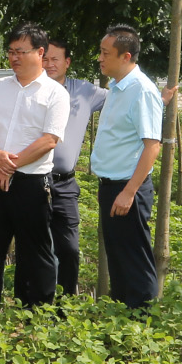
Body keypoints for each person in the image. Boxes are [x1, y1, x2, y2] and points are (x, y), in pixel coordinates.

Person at [0, 24, 72, 310]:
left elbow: (49, 140)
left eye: (21, 51)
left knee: (35, 250)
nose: (14, 57)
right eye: (10, 51)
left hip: (31, 181)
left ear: (40, 53)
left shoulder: (55, 93)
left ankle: (36, 310)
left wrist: (9, 166)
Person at [87, 24, 164, 309]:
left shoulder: (141, 90)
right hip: (112, 187)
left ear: (126, 56)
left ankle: (141, 326)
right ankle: (121, 327)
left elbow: (152, 146)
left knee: (134, 263)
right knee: (119, 263)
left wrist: (129, 192)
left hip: (127, 189)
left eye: (106, 53)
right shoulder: (118, 88)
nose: (100, 58)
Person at [41, 38, 108, 298]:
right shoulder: (31, 89)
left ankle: (65, 303)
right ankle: (37, 304)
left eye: (55, 59)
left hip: (65, 183)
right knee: (38, 246)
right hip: (34, 179)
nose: (49, 64)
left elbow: (121, 99)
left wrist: (160, 98)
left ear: (67, 63)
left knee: (68, 248)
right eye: (45, 58)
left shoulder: (84, 92)